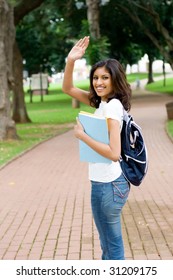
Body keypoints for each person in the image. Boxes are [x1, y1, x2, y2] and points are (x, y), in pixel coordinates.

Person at [62, 36, 131, 260]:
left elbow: (114, 153)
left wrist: (82, 135)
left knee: (112, 247)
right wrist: (71, 60)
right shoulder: (104, 103)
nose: (98, 82)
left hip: (109, 185)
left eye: (104, 78)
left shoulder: (112, 107)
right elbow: (68, 88)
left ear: (115, 80)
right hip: (103, 183)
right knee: (108, 246)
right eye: (95, 78)